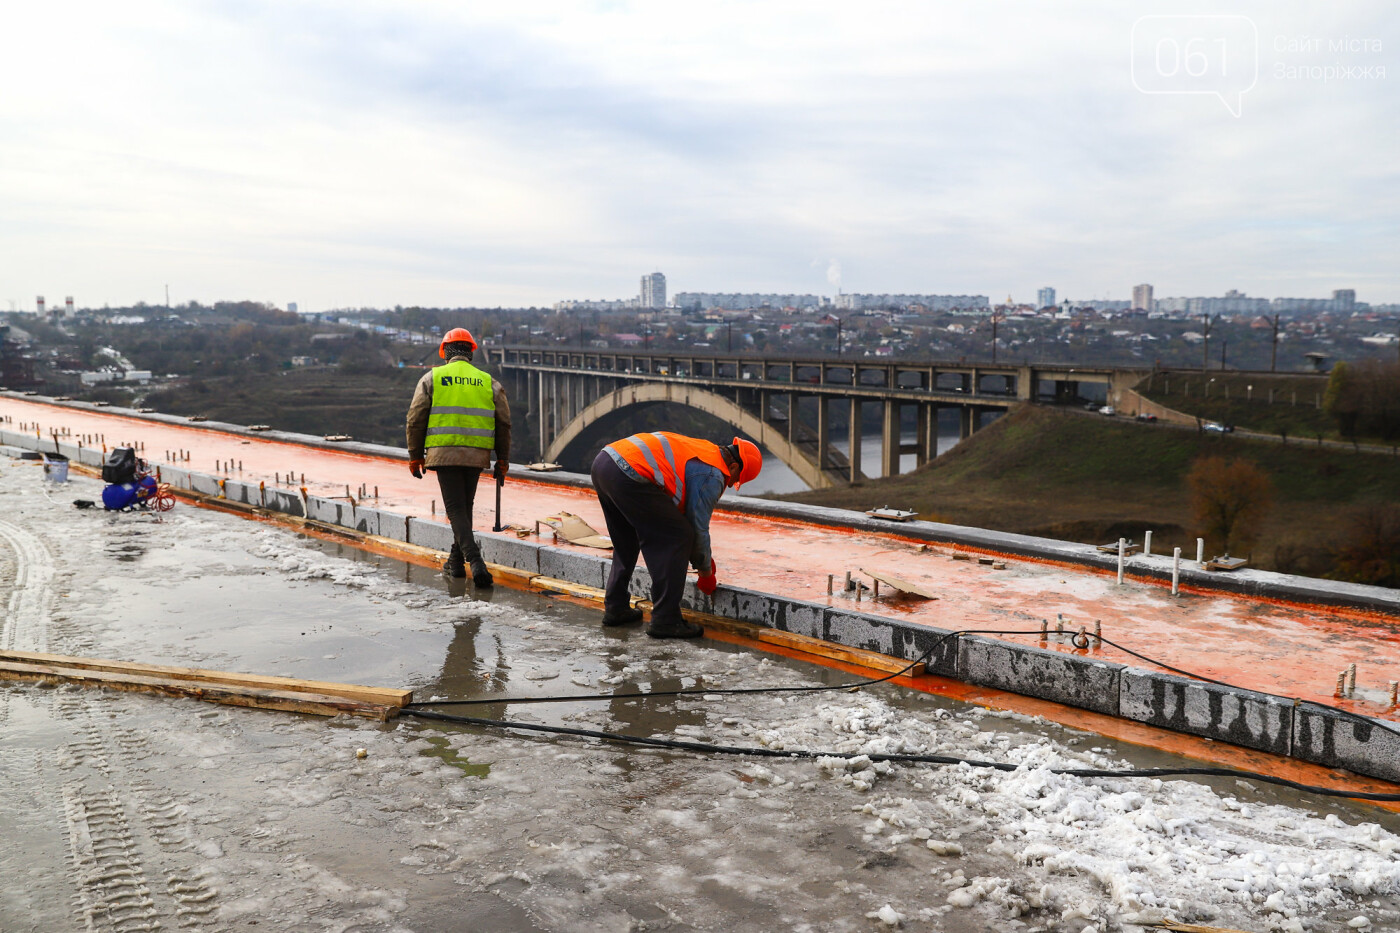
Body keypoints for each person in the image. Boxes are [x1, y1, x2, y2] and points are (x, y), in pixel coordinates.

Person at [591, 432, 761, 638]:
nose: (731, 483)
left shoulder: (704, 449)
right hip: (630, 472)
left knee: (626, 539)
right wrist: (706, 572)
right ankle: (666, 620)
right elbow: (697, 528)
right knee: (678, 537)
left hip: (604, 463)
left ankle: (616, 608)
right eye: (735, 480)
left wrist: (701, 559)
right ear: (733, 467)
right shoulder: (714, 473)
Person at [406, 327, 510, 588]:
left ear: (444, 352)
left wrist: (415, 455)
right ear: (471, 351)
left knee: (455, 509)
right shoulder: (489, 382)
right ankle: (455, 564)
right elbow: (504, 424)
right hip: (477, 454)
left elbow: (415, 419)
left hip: (444, 452)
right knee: (464, 507)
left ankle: (475, 562)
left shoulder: (432, 378)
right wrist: (503, 459)